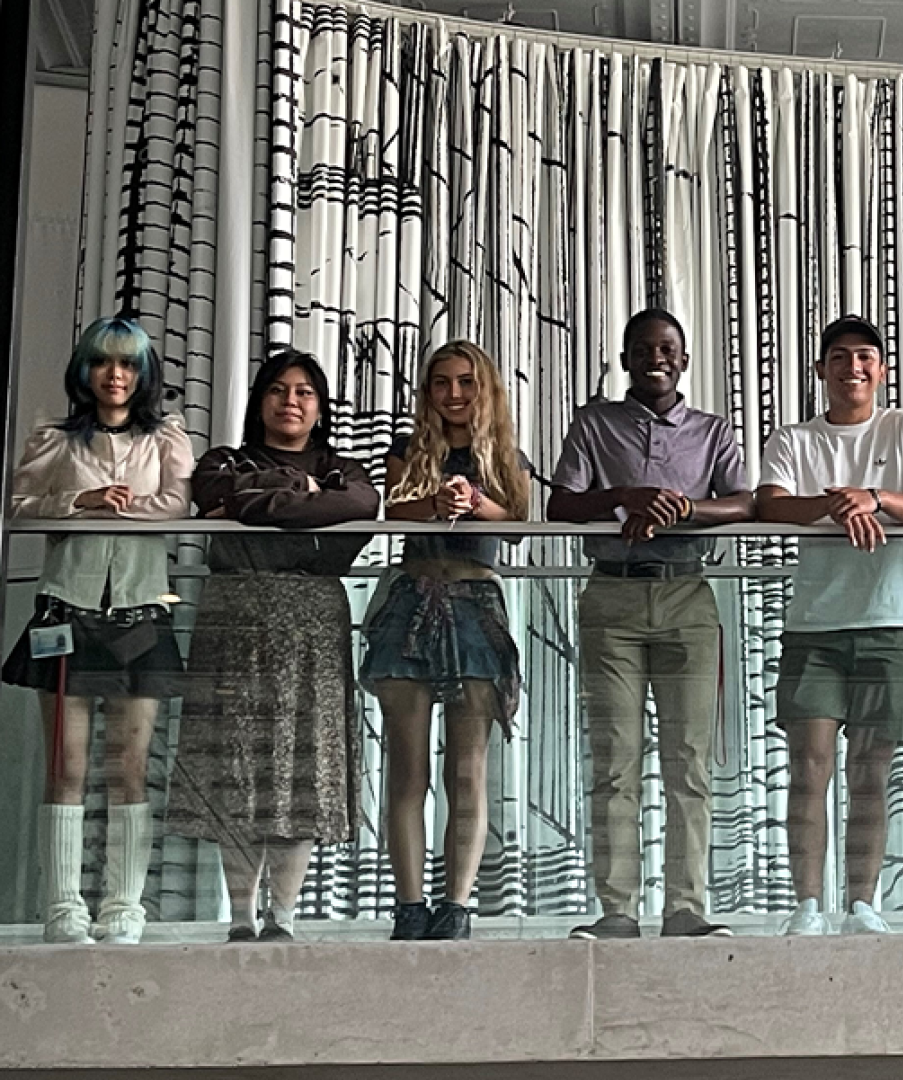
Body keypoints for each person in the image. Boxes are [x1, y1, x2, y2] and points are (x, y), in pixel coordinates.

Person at [549, 309, 754, 940]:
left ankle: (685, 908)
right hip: (612, 597)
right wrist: (625, 497)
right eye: (642, 349)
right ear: (625, 360)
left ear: (685, 360)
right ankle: (617, 911)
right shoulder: (594, 424)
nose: (655, 358)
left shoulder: (712, 432)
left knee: (688, 763)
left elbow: (748, 502)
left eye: (667, 348)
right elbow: (560, 504)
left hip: (688, 596)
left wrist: (684, 507)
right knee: (615, 763)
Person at [167, 350, 379, 942]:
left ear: (320, 408)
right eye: (279, 390)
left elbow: (361, 508)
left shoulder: (346, 469)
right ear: (259, 400)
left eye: (305, 392)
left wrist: (256, 502)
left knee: (302, 766)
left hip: (313, 624)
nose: (291, 401)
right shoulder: (221, 460)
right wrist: (303, 496)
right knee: (236, 764)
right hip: (234, 618)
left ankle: (282, 917)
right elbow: (214, 496)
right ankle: (239, 917)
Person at [756, 315, 903, 935]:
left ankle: (862, 903)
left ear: (882, 369)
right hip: (813, 626)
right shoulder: (795, 439)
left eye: (866, 357)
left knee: (872, 768)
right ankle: (808, 904)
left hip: (889, 622)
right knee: (809, 765)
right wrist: (837, 504)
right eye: (839, 358)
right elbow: (770, 504)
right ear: (821, 370)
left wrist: (876, 498)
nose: (853, 368)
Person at [5, 316, 193, 945]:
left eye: (129, 364)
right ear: (84, 370)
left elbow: (177, 504)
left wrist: (126, 507)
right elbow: (20, 507)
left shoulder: (166, 437)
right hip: (66, 609)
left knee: (130, 766)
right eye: (103, 362)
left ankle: (124, 907)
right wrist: (78, 503)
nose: (115, 375)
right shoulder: (54, 439)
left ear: (144, 375)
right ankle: (63, 908)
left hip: (142, 609)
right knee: (66, 765)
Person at [361, 340, 532, 941]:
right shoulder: (407, 451)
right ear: (427, 391)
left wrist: (478, 502)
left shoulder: (509, 455)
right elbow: (392, 512)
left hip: (477, 606)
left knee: (468, 771)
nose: (454, 394)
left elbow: (519, 527)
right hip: (413, 599)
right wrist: (434, 503)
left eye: (465, 382)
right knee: (408, 770)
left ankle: (456, 904)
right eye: (441, 382)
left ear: (483, 388)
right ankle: (409, 905)